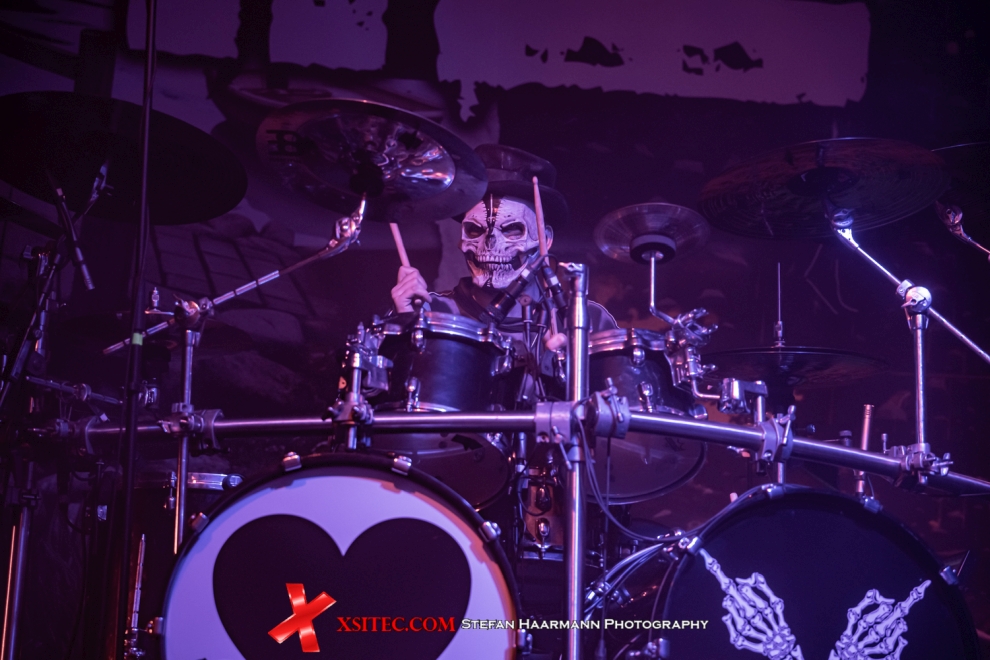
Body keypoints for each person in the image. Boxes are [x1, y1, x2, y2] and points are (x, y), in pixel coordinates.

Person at [389, 144, 617, 404]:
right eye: (475, 231)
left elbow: (618, 417)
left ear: (545, 240)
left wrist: (572, 375)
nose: (489, 245)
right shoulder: (433, 314)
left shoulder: (588, 321)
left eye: (511, 230)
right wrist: (405, 326)